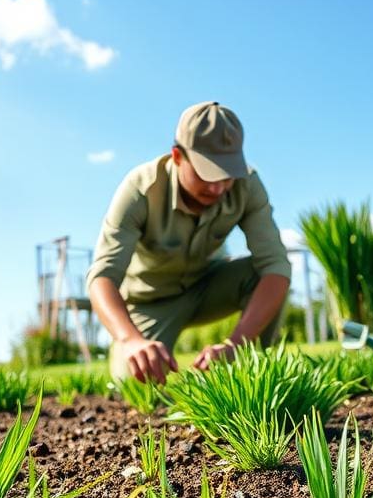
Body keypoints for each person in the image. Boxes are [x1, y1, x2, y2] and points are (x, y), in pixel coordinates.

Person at [86, 101, 292, 383]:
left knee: (266, 276)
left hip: (209, 286)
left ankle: (252, 378)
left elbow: (276, 268)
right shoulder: (140, 189)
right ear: (177, 156)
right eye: (207, 173)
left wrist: (235, 345)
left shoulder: (248, 185)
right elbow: (102, 277)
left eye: (227, 175)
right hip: (150, 302)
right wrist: (130, 339)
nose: (217, 187)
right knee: (131, 383)